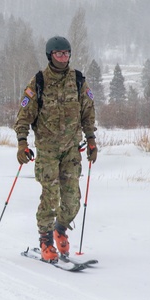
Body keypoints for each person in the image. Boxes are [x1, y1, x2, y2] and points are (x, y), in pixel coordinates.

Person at [13, 36, 98, 262]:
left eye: (66, 53)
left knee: (72, 200)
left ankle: (60, 229)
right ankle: (45, 240)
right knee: (50, 197)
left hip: (71, 151)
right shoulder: (38, 82)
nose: (63, 57)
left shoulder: (78, 80)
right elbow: (23, 117)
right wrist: (22, 143)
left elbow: (88, 112)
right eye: (59, 53)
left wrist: (91, 139)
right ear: (50, 55)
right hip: (48, 151)